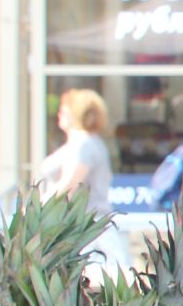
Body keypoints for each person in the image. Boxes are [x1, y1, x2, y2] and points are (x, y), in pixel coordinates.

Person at [38, 88, 130, 272]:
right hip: (81, 229)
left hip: (87, 233)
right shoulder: (86, 143)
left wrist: (37, 207)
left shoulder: (84, 144)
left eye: (64, 110)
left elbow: (70, 185)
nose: (59, 114)